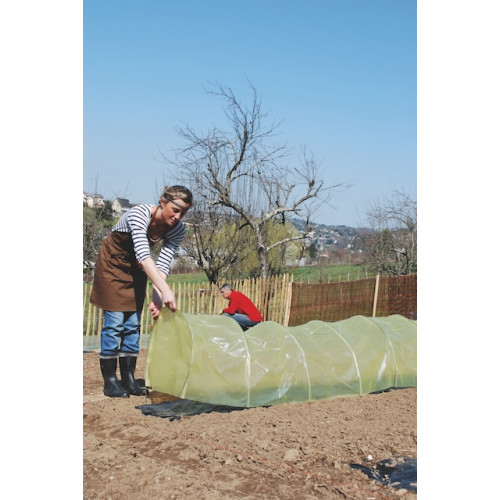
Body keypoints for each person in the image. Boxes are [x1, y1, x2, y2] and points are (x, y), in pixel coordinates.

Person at [90, 185, 193, 398]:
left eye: (183, 212)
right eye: (175, 209)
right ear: (162, 202)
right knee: (115, 322)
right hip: (113, 265)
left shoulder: (178, 230)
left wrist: (157, 297)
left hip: (137, 269)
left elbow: (162, 265)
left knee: (133, 324)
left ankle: (128, 379)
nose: (178, 216)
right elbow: (145, 255)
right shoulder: (139, 214)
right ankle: (110, 381)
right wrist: (165, 290)